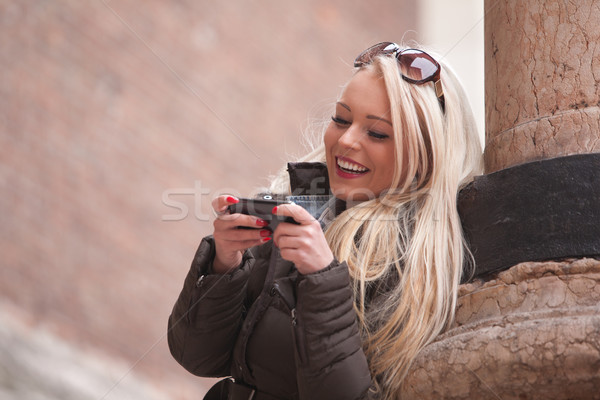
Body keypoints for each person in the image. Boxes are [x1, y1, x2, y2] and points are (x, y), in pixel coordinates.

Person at [168, 42, 483, 400]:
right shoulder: (295, 207)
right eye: (341, 119)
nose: (346, 140)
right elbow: (196, 356)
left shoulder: (428, 266)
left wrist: (321, 279)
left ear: (426, 155)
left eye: (377, 133)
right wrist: (224, 265)